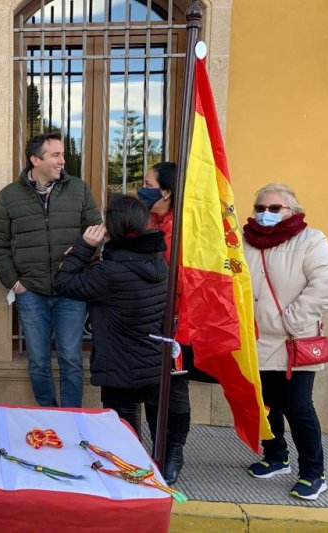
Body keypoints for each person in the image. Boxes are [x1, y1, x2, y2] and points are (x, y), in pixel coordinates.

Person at [243, 183, 328, 500]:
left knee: (298, 407)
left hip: (292, 341)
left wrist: (291, 320)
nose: (266, 214)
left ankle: (314, 473)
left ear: (293, 211)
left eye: (275, 208)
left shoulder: (311, 240)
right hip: (255, 340)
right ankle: (276, 456)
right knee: (265, 404)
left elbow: (327, 285)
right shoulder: (244, 242)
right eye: (260, 208)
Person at [0, 132, 102, 407]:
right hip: (31, 292)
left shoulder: (79, 189)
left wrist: (83, 255)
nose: (63, 160)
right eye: (56, 155)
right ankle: (48, 415)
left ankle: (72, 417)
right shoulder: (9, 196)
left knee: (71, 360)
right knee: (38, 361)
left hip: (71, 291)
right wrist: (14, 283)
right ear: (35, 160)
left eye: (62, 154)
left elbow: (96, 232)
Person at [54, 195, 167, 441]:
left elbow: (63, 283)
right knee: (148, 420)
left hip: (119, 361)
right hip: (152, 358)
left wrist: (83, 248)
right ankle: (154, 468)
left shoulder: (110, 272)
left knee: (123, 430)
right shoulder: (158, 261)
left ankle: (130, 472)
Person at [138, 161, 191, 485]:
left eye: (147, 183)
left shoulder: (184, 228)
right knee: (151, 387)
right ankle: (156, 449)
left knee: (176, 390)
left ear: (166, 191)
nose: (141, 188)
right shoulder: (145, 222)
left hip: (177, 320)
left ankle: (174, 452)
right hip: (149, 317)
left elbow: (185, 279)